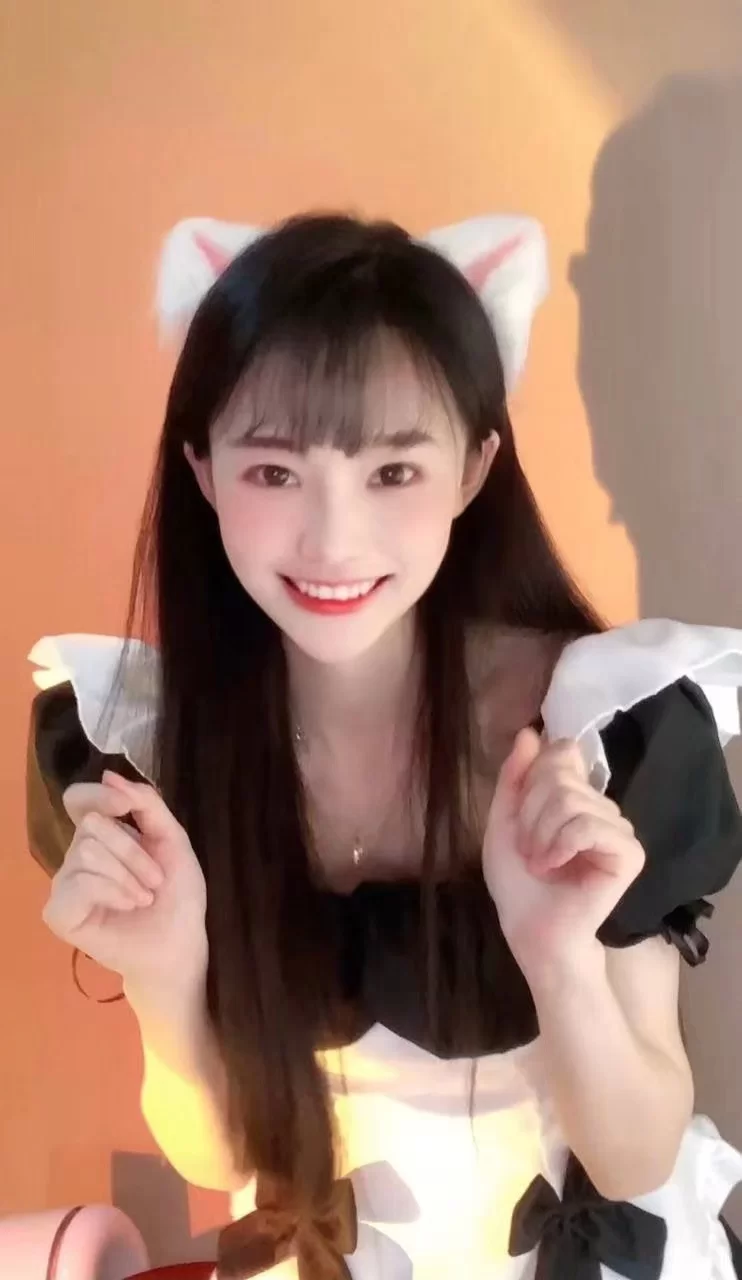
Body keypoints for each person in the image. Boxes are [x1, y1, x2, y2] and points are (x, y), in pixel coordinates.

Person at [28, 211, 742, 1279]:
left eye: (393, 473)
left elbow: (633, 1153)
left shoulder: (597, 730)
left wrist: (558, 958)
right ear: (203, 470)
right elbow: (221, 1153)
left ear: (472, 469)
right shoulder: (154, 749)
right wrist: (162, 977)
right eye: (273, 473)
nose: (333, 540)